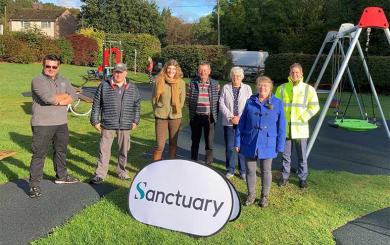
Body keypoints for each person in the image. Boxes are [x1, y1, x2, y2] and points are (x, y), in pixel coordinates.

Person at [28, 54, 79, 198]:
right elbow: (48, 99)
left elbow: (74, 95)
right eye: (47, 66)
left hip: (61, 123)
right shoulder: (37, 80)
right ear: (43, 66)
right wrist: (63, 97)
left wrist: (59, 99)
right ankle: (34, 185)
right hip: (42, 124)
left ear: (58, 67)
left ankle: (61, 176)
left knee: (61, 151)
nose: (50, 69)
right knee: (39, 154)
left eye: (54, 67)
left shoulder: (63, 79)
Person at [235, 76, 286, 207]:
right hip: (249, 141)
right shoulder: (250, 101)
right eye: (260, 85)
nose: (263, 88)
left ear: (270, 88)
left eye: (266, 86)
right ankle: (251, 195)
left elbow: (281, 126)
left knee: (266, 171)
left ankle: (264, 197)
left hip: (268, 143)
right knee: (250, 170)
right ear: (257, 86)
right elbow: (241, 123)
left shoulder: (278, 103)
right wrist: (237, 142)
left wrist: (280, 146)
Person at [89, 63, 141, 184]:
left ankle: (121, 171)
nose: (118, 74)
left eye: (121, 72)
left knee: (124, 150)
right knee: (104, 150)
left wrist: (135, 120)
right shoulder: (104, 85)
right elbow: (96, 104)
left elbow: (137, 105)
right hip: (108, 123)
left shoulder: (132, 87)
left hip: (126, 124)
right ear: (113, 72)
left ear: (125, 73)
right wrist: (95, 121)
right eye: (116, 72)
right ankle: (100, 174)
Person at [275, 63, 320, 189]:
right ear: (289, 74)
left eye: (297, 72)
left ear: (301, 74)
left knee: (302, 156)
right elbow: (276, 105)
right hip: (286, 128)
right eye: (292, 72)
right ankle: (284, 177)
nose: (294, 74)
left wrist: (303, 117)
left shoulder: (308, 89)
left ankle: (302, 178)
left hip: (300, 129)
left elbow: (315, 106)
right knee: (285, 156)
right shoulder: (282, 88)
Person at [219, 67, 252, 180]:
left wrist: (239, 117)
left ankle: (243, 171)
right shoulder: (226, 87)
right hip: (229, 122)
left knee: (241, 147)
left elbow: (249, 105)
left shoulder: (247, 88)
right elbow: (221, 103)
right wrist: (231, 116)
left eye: (238, 76)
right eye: (234, 75)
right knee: (229, 147)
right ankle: (230, 169)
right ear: (231, 76)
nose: (236, 78)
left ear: (242, 77)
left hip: (243, 122)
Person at [151, 59, 186, 160]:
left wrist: (177, 109)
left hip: (175, 116)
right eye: (169, 68)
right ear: (165, 69)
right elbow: (153, 98)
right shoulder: (159, 80)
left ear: (177, 70)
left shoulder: (181, 83)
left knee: (173, 143)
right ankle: (155, 166)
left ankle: (171, 166)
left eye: (173, 69)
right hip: (161, 116)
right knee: (160, 145)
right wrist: (157, 109)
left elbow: (182, 101)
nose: (171, 71)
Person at [187, 62, 220, 165]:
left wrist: (215, 116)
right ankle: (193, 161)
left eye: (205, 70)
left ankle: (208, 163)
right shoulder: (192, 83)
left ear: (209, 71)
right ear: (198, 71)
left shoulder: (215, 84)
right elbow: (187, 99)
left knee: (209, 142)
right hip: (196, 116)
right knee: (195, 141)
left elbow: (218, 101)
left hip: (209, 118)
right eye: (200, 70)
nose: (203, 72)